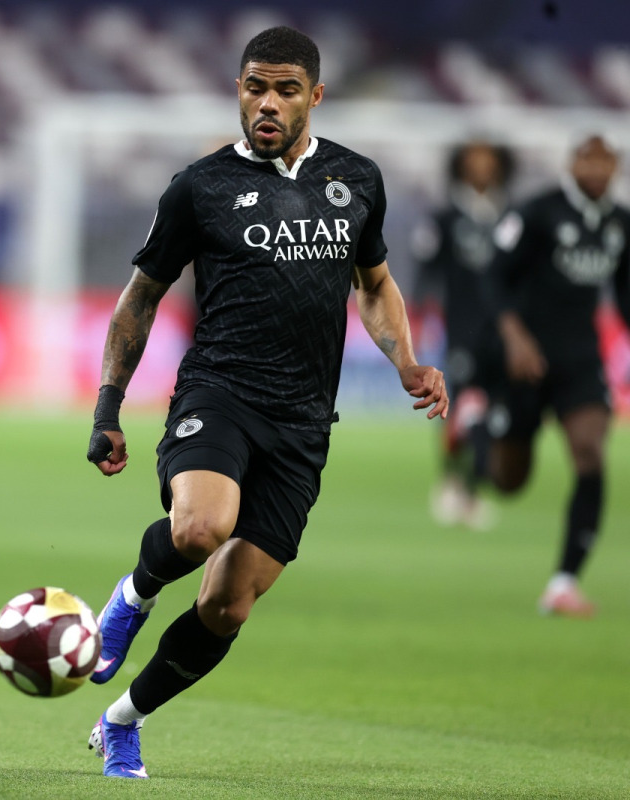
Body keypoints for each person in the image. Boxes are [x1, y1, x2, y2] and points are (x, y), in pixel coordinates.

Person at [82, 26, 449, 779]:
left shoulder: (357, 180)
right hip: (220, 391)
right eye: (255, 87)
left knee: (230, 605)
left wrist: (406, 359)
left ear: (315, 95)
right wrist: (107, 406)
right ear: (239, 90)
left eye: (285, 89)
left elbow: (374, 285)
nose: (268, 103)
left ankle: (123, 720)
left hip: (305, 420)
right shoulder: (200, 185)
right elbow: (138, 299)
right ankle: (133, 594)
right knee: (200, 527)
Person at [485, 133, 630, 618]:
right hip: (527, 361)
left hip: (580, 362)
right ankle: (479, 436)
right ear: (573, 164)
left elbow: (625, 295)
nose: (596, 169)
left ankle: (564, 582)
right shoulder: (538, 212)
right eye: (588, 159)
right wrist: (515, 337)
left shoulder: (619, 223)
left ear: (615, 167)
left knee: (590, 453)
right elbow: (495, 277)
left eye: (605, 161)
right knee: (509, 480)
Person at [412, 140, 516, 530]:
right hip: (462, 330)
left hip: (504, 333)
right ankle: (458, 484)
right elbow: (426, 269)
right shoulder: (445, 217)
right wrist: (418, 314)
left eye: (488, 162)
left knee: (493, 414)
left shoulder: (511, 216)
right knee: (461, 408)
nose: (481, 169)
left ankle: (466, 488)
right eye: (473, 162)